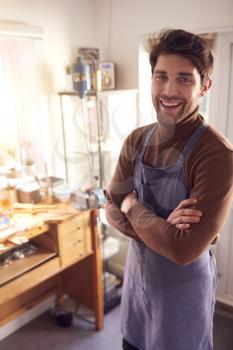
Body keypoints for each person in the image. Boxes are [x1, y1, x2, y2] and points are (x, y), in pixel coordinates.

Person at [105, 28, 233, 350]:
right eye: (161, 76)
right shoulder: (136, 140)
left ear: (205, 85)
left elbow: (183, 250)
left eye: (184, 79)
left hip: (183, 294)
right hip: (138, 281)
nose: (169, 90)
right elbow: (110, 206)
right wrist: (164, 231)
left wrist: (133, 207)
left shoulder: (216, 154)